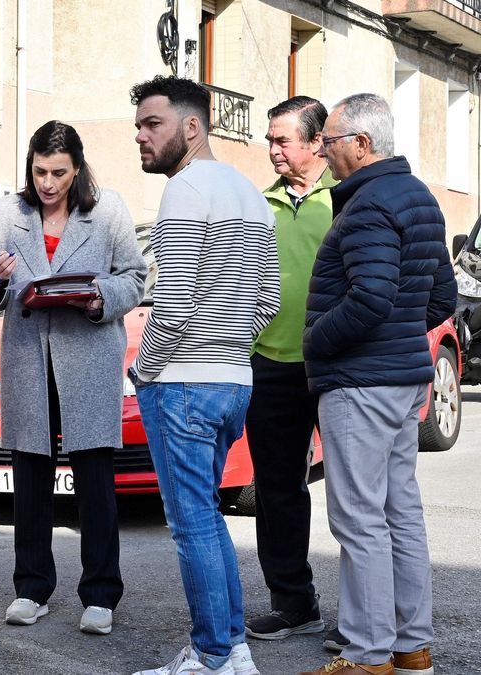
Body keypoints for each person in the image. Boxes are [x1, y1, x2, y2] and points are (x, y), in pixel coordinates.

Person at [126, 76, 279, 675]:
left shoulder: (185, 190)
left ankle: (214, 654)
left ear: (191, 127)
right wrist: (233, 343)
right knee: (206, 518)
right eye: (138, 125)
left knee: (191, 523)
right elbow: (267, 297)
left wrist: (145, 365)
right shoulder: (248, 191)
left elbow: (177, 300)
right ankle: (231, 648)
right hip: (233, 378)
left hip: (185, 381)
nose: (141, 136)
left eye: (152, 124)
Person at [298, 94, 455, 675]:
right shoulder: (419, 199)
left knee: (360, 520)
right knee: (399, 515)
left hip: (361, 383)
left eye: (330, 140)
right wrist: (394, 336)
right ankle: (411, 647)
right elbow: (440, 298)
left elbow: (368, 297)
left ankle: (367, 657)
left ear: (361, 145)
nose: (323, 150)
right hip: (403, 378)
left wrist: (313, 341)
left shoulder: (366, 206)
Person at [0, 120, 146, 634]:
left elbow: (135, 278)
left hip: (88, 355)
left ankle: (100, 596)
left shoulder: (108, 209)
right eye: (40, 171)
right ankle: (31, 589)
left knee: (95, 480)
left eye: (59, 173)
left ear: (77, 169)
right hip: (27, 357)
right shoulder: (7, 212)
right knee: (29, 479)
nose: (48, 183)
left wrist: (98, 299)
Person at [244, 96, 336, 642]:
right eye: (270, 140)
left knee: (355, 497)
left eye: (283, 140)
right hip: (271, 365)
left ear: (317, 142)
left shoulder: (344, 200)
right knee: (277, 490)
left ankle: (370, 617)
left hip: (336, 366)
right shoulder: (261, 205)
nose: (273, 149)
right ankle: (294, 602)